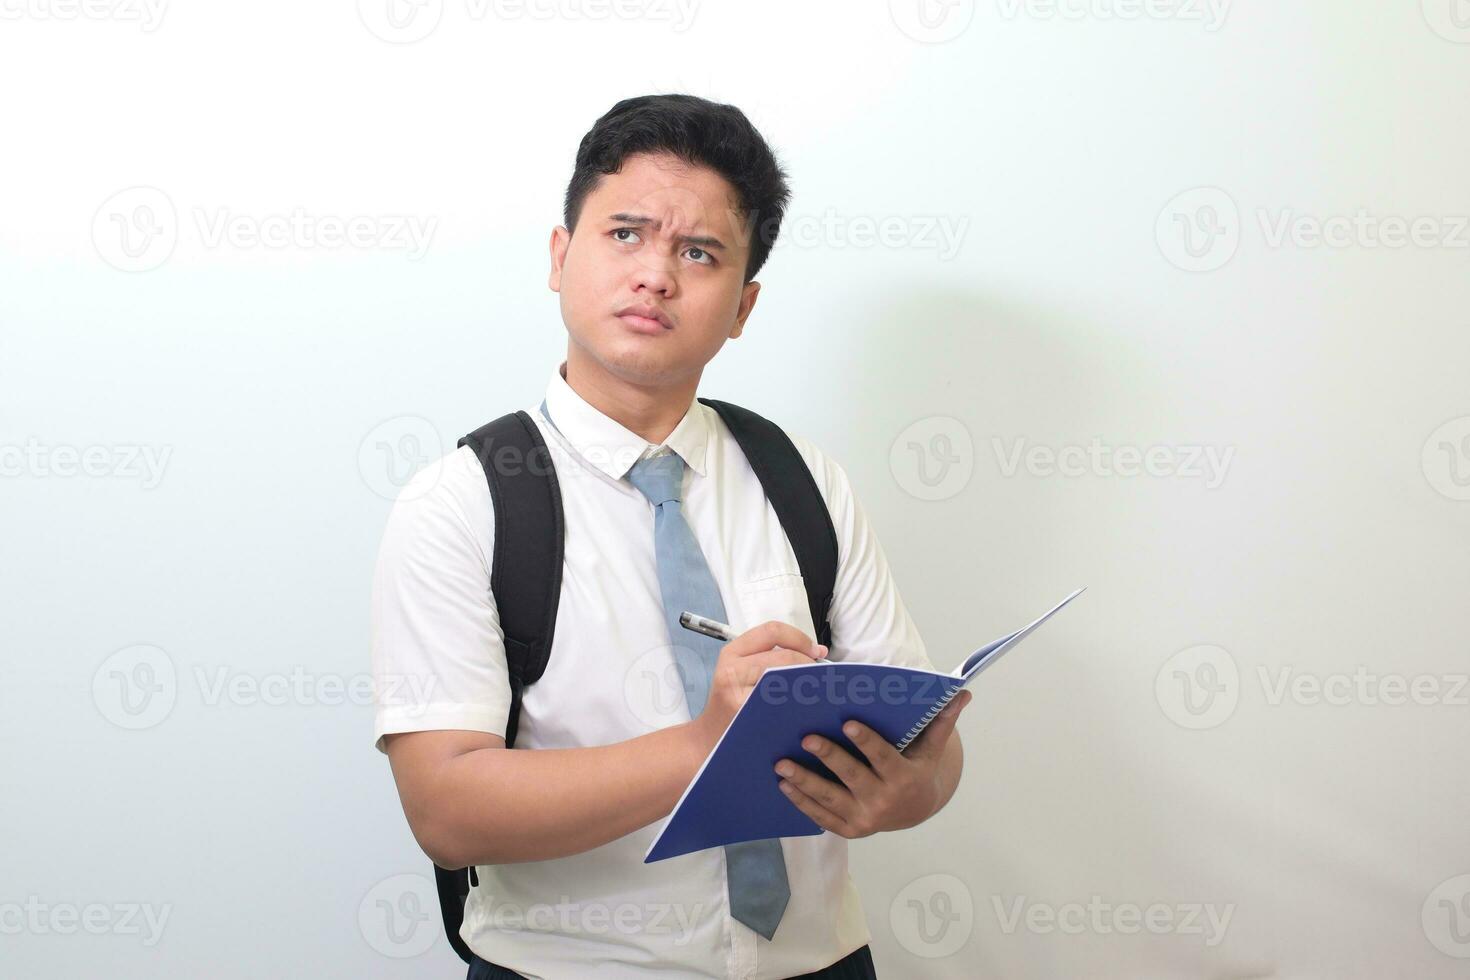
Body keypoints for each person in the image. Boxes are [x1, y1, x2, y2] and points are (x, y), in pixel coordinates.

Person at [370, 93, 972, 980]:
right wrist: (704, 745)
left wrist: (910, 786)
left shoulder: (803, 479)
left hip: (824, 963)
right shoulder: (461, 503)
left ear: (743, 306)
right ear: (559, 255)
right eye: (625, 234)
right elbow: (447, 809)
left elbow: (931, 761)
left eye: (699, 252)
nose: (656, 274)